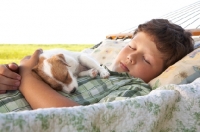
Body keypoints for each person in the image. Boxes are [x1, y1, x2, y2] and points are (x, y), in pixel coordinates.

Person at [0, 19, 194, 110]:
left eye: (147, 59)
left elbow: (74, 119)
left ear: (164, 71)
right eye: (132, 47)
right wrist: (10, 77)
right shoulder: (92, 67)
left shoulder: (135, 91)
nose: (130, 57)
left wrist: (25, 76)